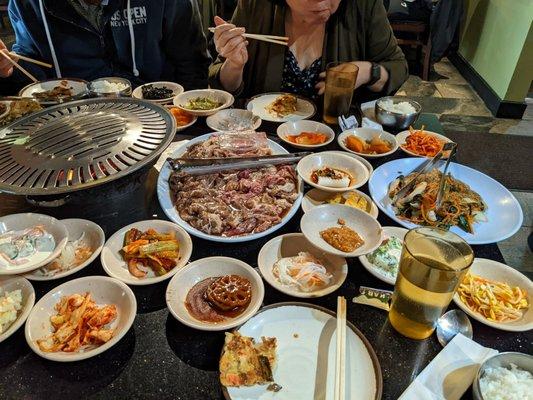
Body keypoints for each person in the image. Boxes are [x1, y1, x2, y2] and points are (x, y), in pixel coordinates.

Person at [209, 0, 409, 101]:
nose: (323, 2)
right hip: (264, 143)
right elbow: (224, 87)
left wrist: (368, 72)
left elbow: (397, 66)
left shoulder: (363, 6)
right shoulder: (256, 5)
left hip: (339, 149)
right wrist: (234, 65)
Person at [0, 0, 210, 94]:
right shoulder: (27, 4)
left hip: (158, 113)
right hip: (73, 124)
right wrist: (7, 69)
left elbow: (191, 65)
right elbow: (32, 70)